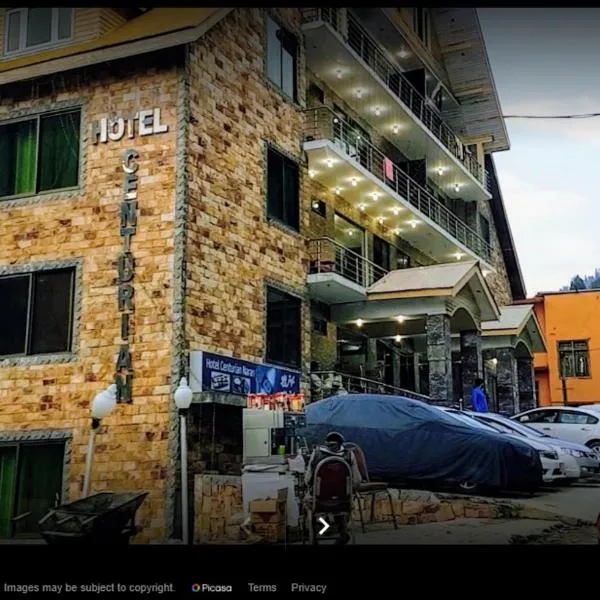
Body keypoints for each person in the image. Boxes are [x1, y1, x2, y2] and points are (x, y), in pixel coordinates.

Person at [304, 431, 361, 545]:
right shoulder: (349, 455)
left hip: (318, 502)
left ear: (326, 443)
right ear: (341, 444)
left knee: (307, 503)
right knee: (341, 503)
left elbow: (307, 480)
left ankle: (316, 534)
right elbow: (357, 481)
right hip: (343, 502)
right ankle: (342, 532)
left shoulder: (317, 453)